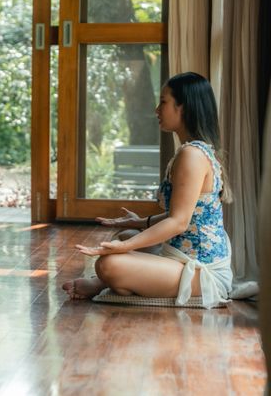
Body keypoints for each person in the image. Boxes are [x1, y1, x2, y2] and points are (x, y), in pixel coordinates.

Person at [63, 72, 233, 308]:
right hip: (181, 253)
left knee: (108, 264)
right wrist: (138, 222)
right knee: (126, 236)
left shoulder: (192, 155)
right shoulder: (195, 150)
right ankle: (118, 280)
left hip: (201, 272)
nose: (157, 109)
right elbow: (186, 215)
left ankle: (102, 283)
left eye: (163, 102)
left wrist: (125, 248)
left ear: (184, 107)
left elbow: (178, 222)